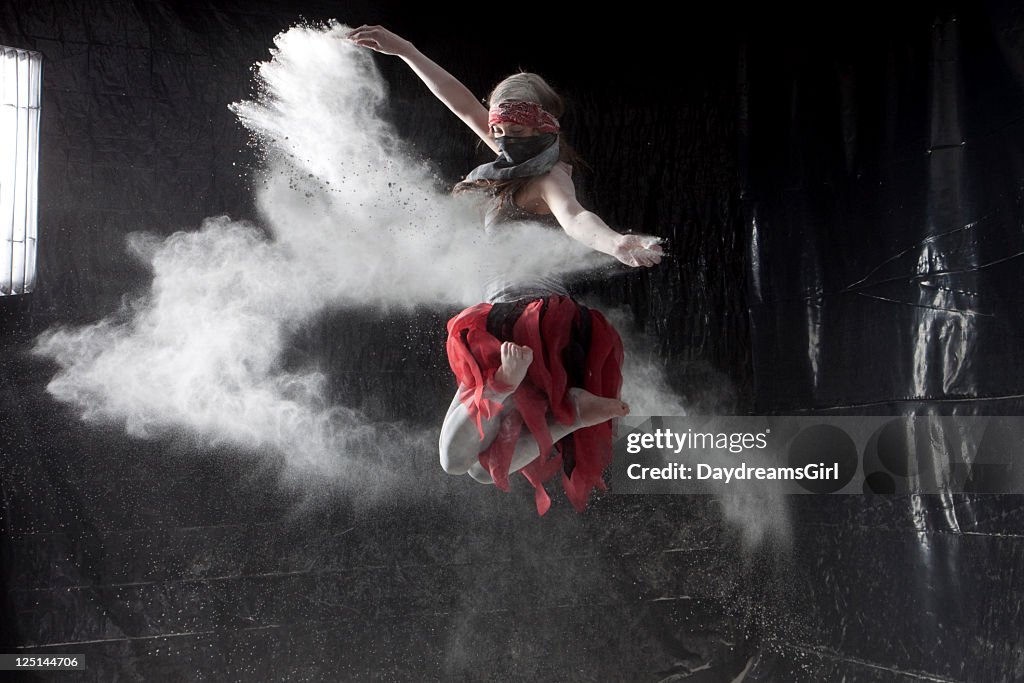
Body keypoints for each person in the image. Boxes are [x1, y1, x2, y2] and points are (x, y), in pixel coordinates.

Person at [346, 25, 663, 514]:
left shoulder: (549, 175)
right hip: (509, 319)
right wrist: (406, 49)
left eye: (513, 133)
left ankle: (523, 392)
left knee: (456, 462)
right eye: (497, 131)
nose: (500, 139)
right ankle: (571, 414)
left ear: (543, 129)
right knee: (476, 466)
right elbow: (459, 103)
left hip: (526, 322)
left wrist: (617, 243)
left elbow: (576, 219)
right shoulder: (509, 157)